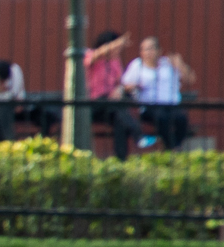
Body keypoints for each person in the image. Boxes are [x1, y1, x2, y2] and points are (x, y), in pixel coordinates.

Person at [121, 36, 197, 150]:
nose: (147, 53)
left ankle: (174, 146)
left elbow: (191, 79)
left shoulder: (169, 64)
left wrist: (180, 65)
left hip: (172, 105)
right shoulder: (137, 65)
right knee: (162, 118)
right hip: (150, 107)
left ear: (159, 51)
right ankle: (171, 148)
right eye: (144, 49)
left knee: (182, 118)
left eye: (150, 49)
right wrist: (135, 85)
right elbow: (125, 85)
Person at [84, 30, 144, 161]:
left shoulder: (115, 61)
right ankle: (138, 135)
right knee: (118, 109)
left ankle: (121, 159)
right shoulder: (90, 54)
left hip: (111, 106)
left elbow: (119, 82)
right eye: (116, 47)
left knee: (120, 120)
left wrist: (119, 89)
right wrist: (119, 42)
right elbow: (99, 53)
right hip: (93, 104)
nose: (118, 50)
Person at [0, 58, 58, 139]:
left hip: (11, 109)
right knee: (2, 109)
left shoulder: (15, 70)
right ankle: (7, 141)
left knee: (44, 116)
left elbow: (20, 99)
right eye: (1, 80)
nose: (3, 83)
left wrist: (17, 106)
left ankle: (42, 141)